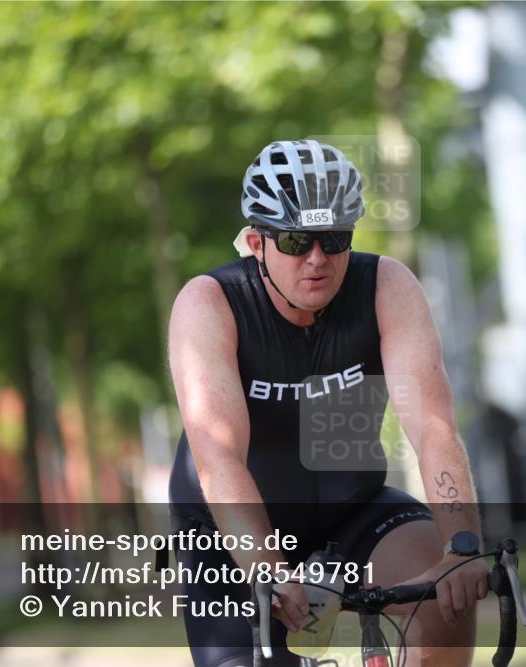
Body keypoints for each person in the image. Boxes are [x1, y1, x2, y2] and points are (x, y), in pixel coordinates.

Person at [168, 139, 487, 667]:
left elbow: (432, 425)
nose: (317, 259)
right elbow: (217, 456)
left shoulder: (386, 285)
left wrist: (463, 547)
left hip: (352, 509)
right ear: (256, 241)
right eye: (296, 241)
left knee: (445, 598)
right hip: (232, 532)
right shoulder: (209, 304)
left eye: (334, 238)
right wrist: (267, 568)